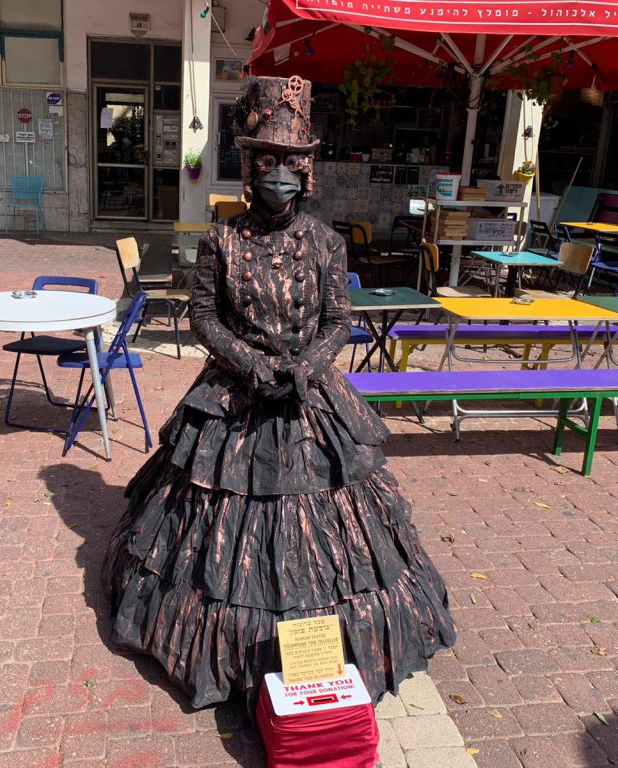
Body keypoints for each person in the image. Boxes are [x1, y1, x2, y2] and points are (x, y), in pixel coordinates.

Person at [102, 75, 455, 710]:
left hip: (308, 394)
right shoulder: (221, 240)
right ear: (250, 168)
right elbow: (203, 316)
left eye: (293, 163)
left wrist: (309, 366)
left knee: (332, 511)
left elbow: (338, 320)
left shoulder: (324, 242)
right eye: (269, 161)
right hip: (235, 397)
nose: (281, 175)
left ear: (308, 171)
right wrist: (246, 362)